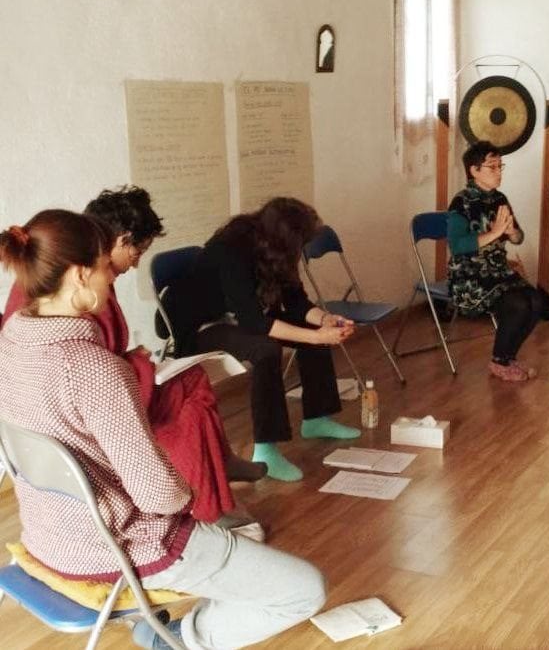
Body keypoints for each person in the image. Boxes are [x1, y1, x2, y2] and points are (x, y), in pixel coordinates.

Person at [0, 210, 325, 650]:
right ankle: (178, 640)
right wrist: (188, 491)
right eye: (103, 268)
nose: (108, 278)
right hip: (119, 547)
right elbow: (159, 496)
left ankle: (162, 626)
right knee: (304, 589)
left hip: (47, 536)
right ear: (78, 275)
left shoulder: (11, 342)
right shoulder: (93, 369)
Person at [2, 186, 265, 527]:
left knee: (193, 381)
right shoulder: (78, 306)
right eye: (137, 251)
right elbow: (88, 371)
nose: (131, 264)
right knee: (190, 413)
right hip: (74, 418)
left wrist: (127, 361)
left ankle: (217, 480)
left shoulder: (37, 303)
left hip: (47, 429)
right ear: (85, 271)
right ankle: (208, 506)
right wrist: (133, 365)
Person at [158, 197, 357, 482]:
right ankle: (266, 449)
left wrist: (325, 321)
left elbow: (297, 301)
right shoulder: (231, 250)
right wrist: (315, 336)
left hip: (237, 314)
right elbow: (255, 322)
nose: (302, 252)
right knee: (266, 350)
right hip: (201, 324)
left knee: (314, 336)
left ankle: (317, 418)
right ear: (286, 240)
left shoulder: (276, 252)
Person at [447, 140, 549, 382]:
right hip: (469, 277)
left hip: (498, 272)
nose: (499, 172)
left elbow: (518, 237)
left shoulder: (499, 198)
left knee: (539, 301)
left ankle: (507, 357)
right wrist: (493, 234)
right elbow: (458, 246)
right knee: (518, 304)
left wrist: (512, 232)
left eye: (501, 166)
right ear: (474, 170)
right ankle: (499, 361)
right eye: (492, 167)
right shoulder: (461, 202)